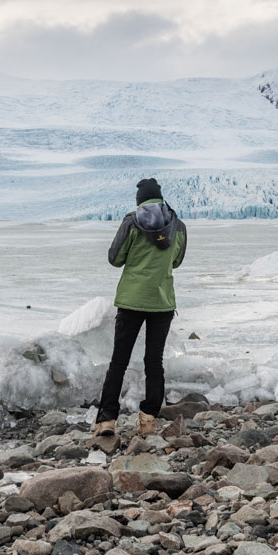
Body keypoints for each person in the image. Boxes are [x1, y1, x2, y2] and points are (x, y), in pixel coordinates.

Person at [92, 177, 187, 448]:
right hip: (162, 301)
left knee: (118, 361)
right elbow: (178, 260)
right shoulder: (178, 225)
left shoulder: (131, 222)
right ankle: (148, 421)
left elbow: (115, 257)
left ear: (140, 201)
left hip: (132, 300)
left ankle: (107, 420)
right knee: (153, 362)